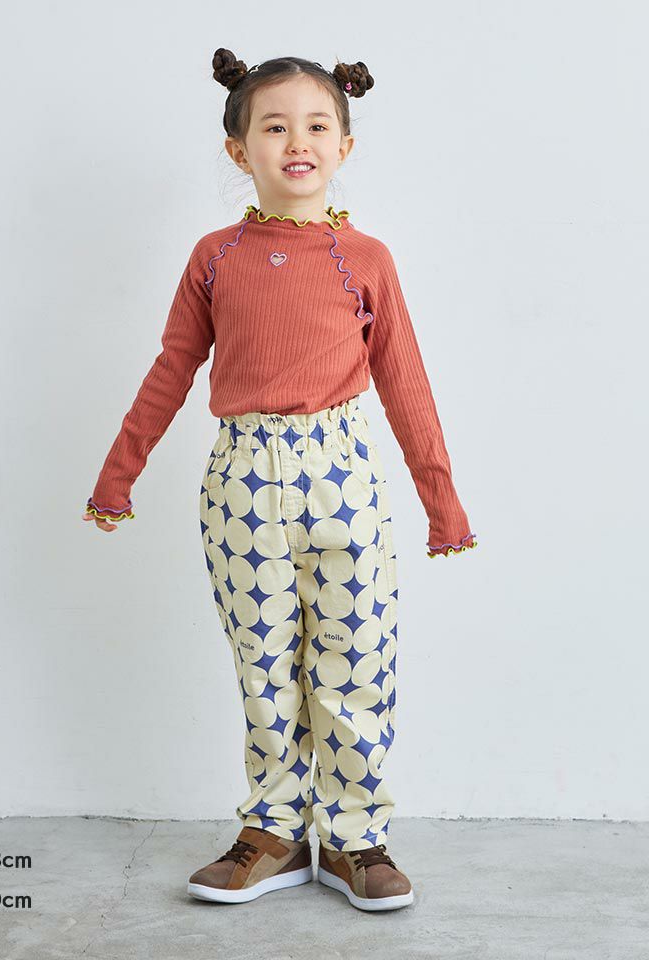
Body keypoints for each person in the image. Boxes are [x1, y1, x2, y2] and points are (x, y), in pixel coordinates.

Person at [82, 48, 478, 912]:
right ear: (239, 150)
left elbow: (405, 382)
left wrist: (441, 502)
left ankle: (357, 838)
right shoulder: (214, 257)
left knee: (355, 657)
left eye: (316, 125)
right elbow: (173, 368)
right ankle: (273, 832)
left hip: (344, 476)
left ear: (343, 145)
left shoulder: (366, 258)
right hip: (242, 483)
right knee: (264, 664)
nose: (297, 142)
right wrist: (119, 475)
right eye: (274, 126)